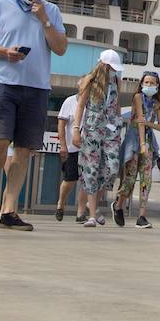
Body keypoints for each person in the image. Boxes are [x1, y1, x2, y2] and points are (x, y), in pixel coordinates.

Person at [0, 0, 68, 231]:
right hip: (4, 83)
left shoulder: (52, 11)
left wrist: (45, 20)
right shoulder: (0, 5)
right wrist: (4, 52)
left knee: (24, 149)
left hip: (37, 88)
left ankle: (9, 209)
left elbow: (60, 49)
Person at [75, 50, 125, 227]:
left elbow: (117, 105)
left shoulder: (117, 81)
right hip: (92, 128)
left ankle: (93, 202)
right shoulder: (90, 81)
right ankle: (91, 215)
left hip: (111, 130)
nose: (115, 71)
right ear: (104, 66)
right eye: (112, 67)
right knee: (91, 169)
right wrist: (76, 129)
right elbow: (81, 105)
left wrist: (118, 126)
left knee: (112, 167)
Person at [114, 70, 160, 229]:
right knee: (130, 177)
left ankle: (142, 216)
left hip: (149, 139)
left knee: (146, 179)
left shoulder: (157, 103)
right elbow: (139, 122)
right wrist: (142, 144)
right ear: (142, 83)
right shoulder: (137, 97)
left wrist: (148, 125)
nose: (149, 85)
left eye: (152, 83)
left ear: (157, 85)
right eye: (147, 82)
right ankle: (119, 204)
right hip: (135, 138)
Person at [56, 75, 85, 222]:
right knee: (70, 179)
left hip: (88, 148)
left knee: (87, 180)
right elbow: (61, 124)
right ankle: (61, 202)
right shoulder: (70, 101)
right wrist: (63, 146)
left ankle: (81, 212)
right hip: (71, 147)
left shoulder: (94, 103)